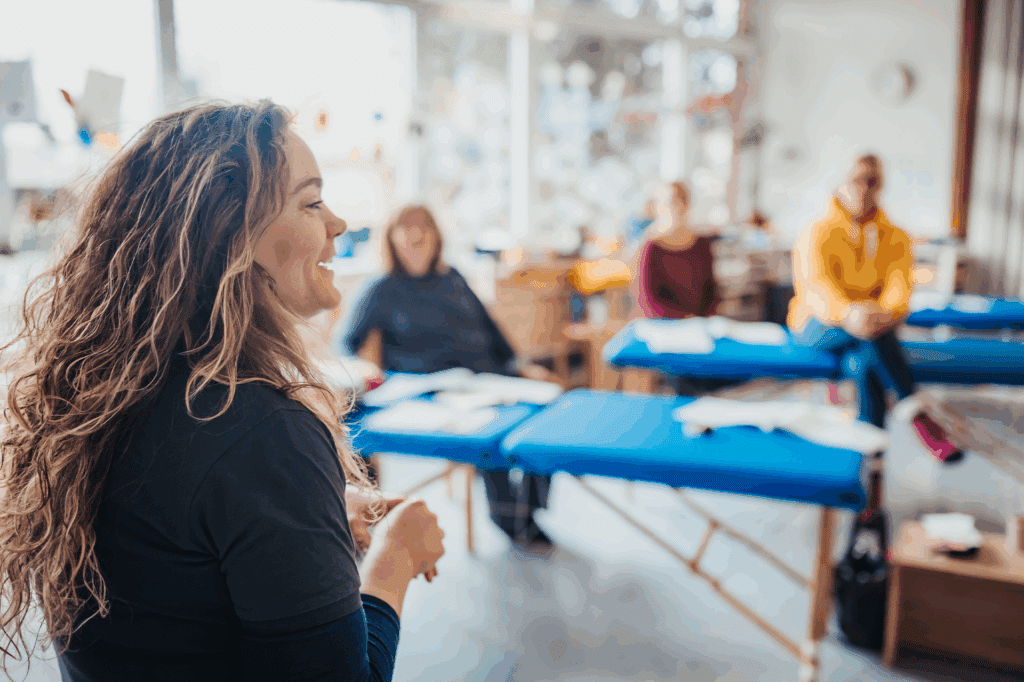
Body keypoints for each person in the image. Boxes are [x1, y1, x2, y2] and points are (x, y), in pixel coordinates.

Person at [0, 101, 445, 682]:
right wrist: (394, 558)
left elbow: (175, 564)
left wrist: (309, 517)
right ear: (230, 239)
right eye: (311, 202)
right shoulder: (267, 435)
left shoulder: (105, 395)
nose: (337, 223)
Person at [341, 205, 557, 549]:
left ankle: (525, 509)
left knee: (548, 412)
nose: (416, 235)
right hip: (429, 390)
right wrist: (366, 369)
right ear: (391, 238)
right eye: (406, 227)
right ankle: (512, 520)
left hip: (486, 377)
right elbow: (347, 344)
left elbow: (490, 328)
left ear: (436, 236)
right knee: (491, 430)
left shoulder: (453, 277)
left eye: (423, 226)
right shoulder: (381, 287)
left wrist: (519, 365)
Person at [789, 153, 962, 462]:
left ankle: (867, 475)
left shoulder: (896, 236)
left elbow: (900, 288)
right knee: (872, 342)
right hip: (818, 324)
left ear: (881, 186)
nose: (864, 188)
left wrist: (880, 314)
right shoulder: (817, 232)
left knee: (864, 364)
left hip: (873, 327)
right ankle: (916, 414)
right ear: (840, 183)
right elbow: (816, 287)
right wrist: (850, 314)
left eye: (872, 181)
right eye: (857, 179)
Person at [632, 181, 719, 320]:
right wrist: (685, 319)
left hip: (698, 327)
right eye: (670, 202)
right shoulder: (651, 247)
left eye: (681, 200)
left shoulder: (701, 244)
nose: (676, 207)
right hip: (660, 326)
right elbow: (648, 301)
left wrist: (705, 320)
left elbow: (710, 293)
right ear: (658, 207)